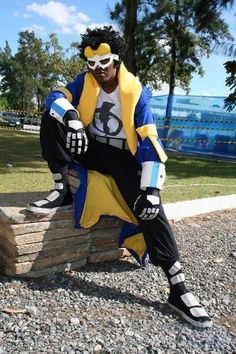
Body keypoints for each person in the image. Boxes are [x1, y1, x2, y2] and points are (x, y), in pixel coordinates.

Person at [27, 26, 212, 328]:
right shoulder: (85, 82)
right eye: (92, 63)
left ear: (116, 59)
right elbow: (54, 97)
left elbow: (148, 138)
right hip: (89, 147)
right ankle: (61, 188)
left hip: (123, 157)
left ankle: (178, 286)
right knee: (53, 117)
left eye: (104, 62)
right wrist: (72, 117)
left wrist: (151, 188)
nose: (98, 69)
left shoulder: (135, 92)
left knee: (149, 207)